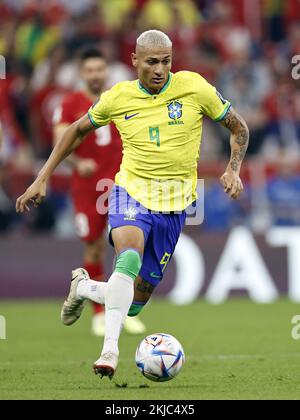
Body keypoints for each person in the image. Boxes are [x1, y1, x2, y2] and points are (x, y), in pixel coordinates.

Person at [16, 30, 249, 379]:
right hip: (131, 193)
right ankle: (109, 351)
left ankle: (83, 287)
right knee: (128, 257)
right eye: (152, 62)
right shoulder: (118, 96)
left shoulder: (194, 87)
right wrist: (42, 176)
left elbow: (238, 127)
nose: (160, 69)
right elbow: (76, 131)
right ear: (134, 61)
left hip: (173, 209)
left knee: (135, 304)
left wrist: (233, 170)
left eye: (166, 61)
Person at [53, 47, 146, 337]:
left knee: (127, 248)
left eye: (99, 69)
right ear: (82, 73)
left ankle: (121, 311)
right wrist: (78, 163)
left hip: (121, 184)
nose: (95, 75)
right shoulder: (69, 103)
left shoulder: (119, 97)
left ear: (106, 71)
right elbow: (61, 142)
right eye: (90, 70)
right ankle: (97, 314)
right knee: (93, 245)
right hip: (87, 188)